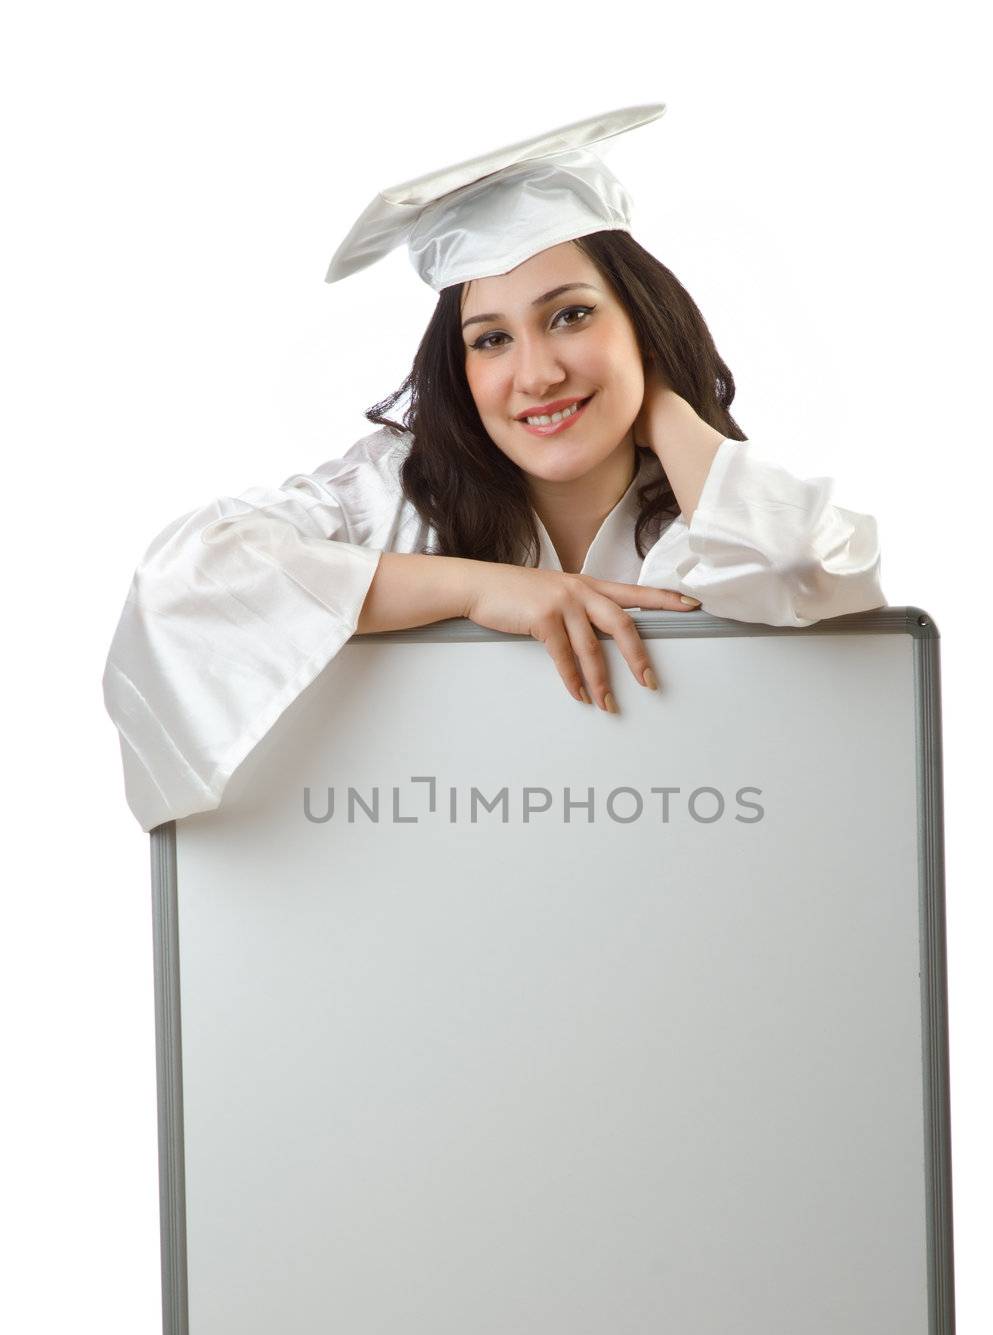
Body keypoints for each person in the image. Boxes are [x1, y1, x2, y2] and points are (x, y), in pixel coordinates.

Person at [102, 104, 886, 832]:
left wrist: (662, 406)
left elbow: (804, 565)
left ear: (642, 322)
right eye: (491, 339)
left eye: (571, 316)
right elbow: (187, 585)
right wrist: (481, 587)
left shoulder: (707, 512)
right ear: (462, 366)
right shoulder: (396, 498)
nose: (537, 374)